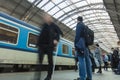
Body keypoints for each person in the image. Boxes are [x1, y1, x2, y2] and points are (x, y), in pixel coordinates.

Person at [35, 14, 63, 80]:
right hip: (41, 46)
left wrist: (56, 39)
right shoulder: (44, 25)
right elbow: (41, 34)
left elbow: (60, 33)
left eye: (47, 17)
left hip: (49, 46)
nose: (46, 18)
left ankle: (49, 76)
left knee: (50, 62)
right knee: (39, 62)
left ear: (50, 18)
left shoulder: (54, 26)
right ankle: (37, 77)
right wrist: (38, 44)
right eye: (45, 17)